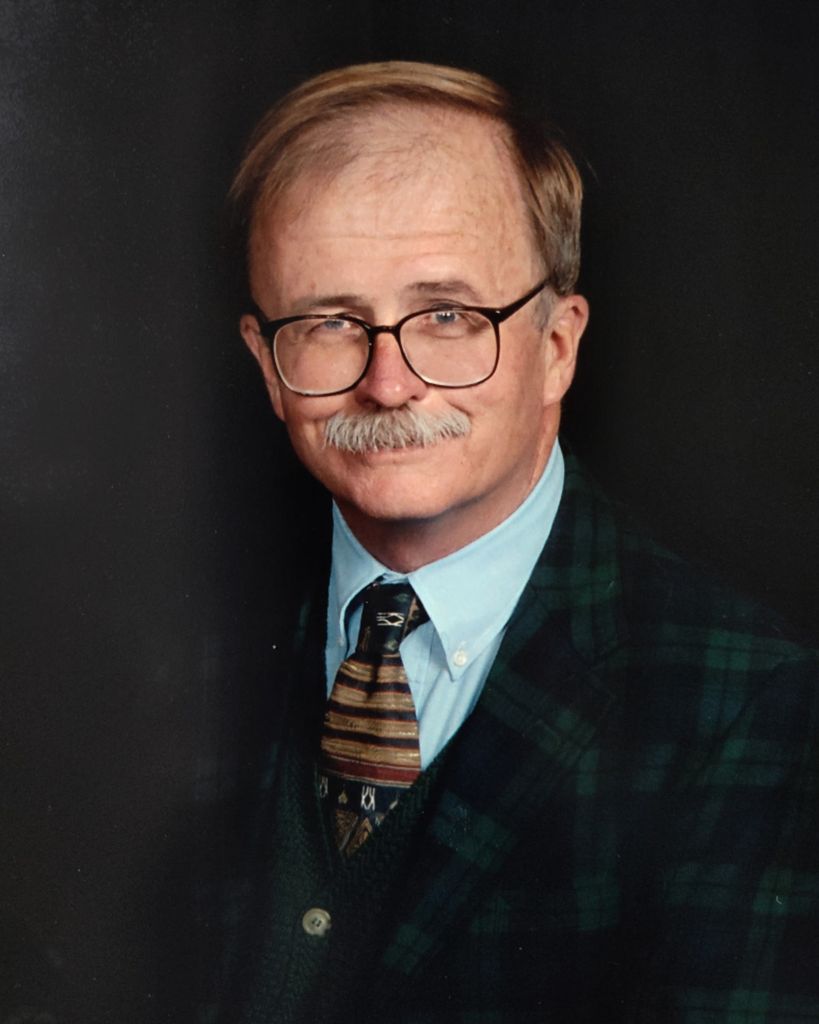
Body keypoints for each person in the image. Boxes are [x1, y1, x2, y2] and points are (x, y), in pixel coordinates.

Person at [217, 60, 819, 1022]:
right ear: (266, 364)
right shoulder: (168, 661)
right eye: (330, 322)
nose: (388, 383)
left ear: (556, 346)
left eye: (447, 316)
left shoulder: (758, 708)